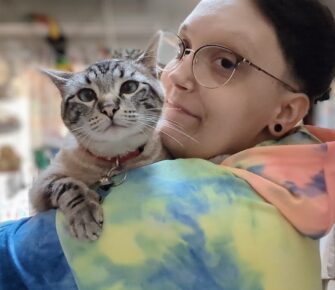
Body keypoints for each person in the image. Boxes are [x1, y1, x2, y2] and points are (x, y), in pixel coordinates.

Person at [1, 0, 334, 289]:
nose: (174, 76)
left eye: (226, 63)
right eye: (183, 49)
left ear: (286, 110)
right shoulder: (298, 183)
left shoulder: (176, 209)